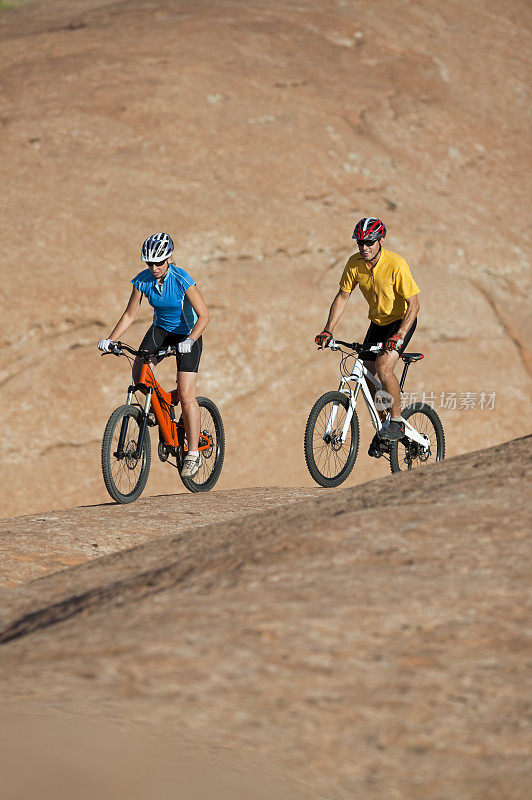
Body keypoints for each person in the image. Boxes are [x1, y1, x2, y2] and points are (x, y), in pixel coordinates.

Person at [97, 232, 209, 478]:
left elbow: (204, 316)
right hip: (161, 330)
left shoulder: (182, 279)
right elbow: (130, 314)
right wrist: (110, 340)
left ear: (169, 258)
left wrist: (190, 340)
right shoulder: (142, 281)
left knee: (187, 394)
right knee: (139, 367)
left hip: (187, 335)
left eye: (159, 262)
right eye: (150, 263)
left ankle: (192, 453)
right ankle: (154, 406)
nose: (155, 267)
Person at [315, 217, 420, 449]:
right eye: (360, 242)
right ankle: (385, 429)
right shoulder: (354, 264)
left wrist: (399, 335)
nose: (364, 247)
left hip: (401, 322)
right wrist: (327, 330)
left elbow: (414, 305)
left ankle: (396, 422)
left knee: (384, 367)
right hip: (378, 323)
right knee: (366, 372)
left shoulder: (396, 264)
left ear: (380, 240)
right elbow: (343, 296)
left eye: (369, 242)